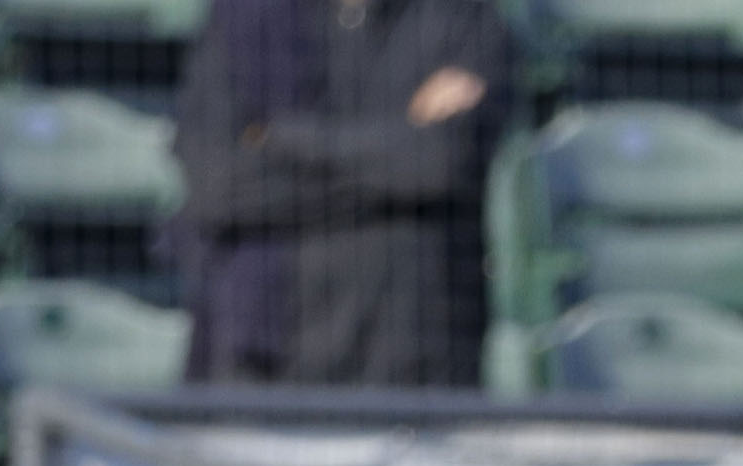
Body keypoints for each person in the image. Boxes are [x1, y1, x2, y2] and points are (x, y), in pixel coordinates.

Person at [172, 0, 506, 389]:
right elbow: (215, 185)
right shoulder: (245, 18)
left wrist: (278, 140)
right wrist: (400, 138)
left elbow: (439, 162)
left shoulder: (462, 16)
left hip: (416, 375)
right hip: (266, 374)